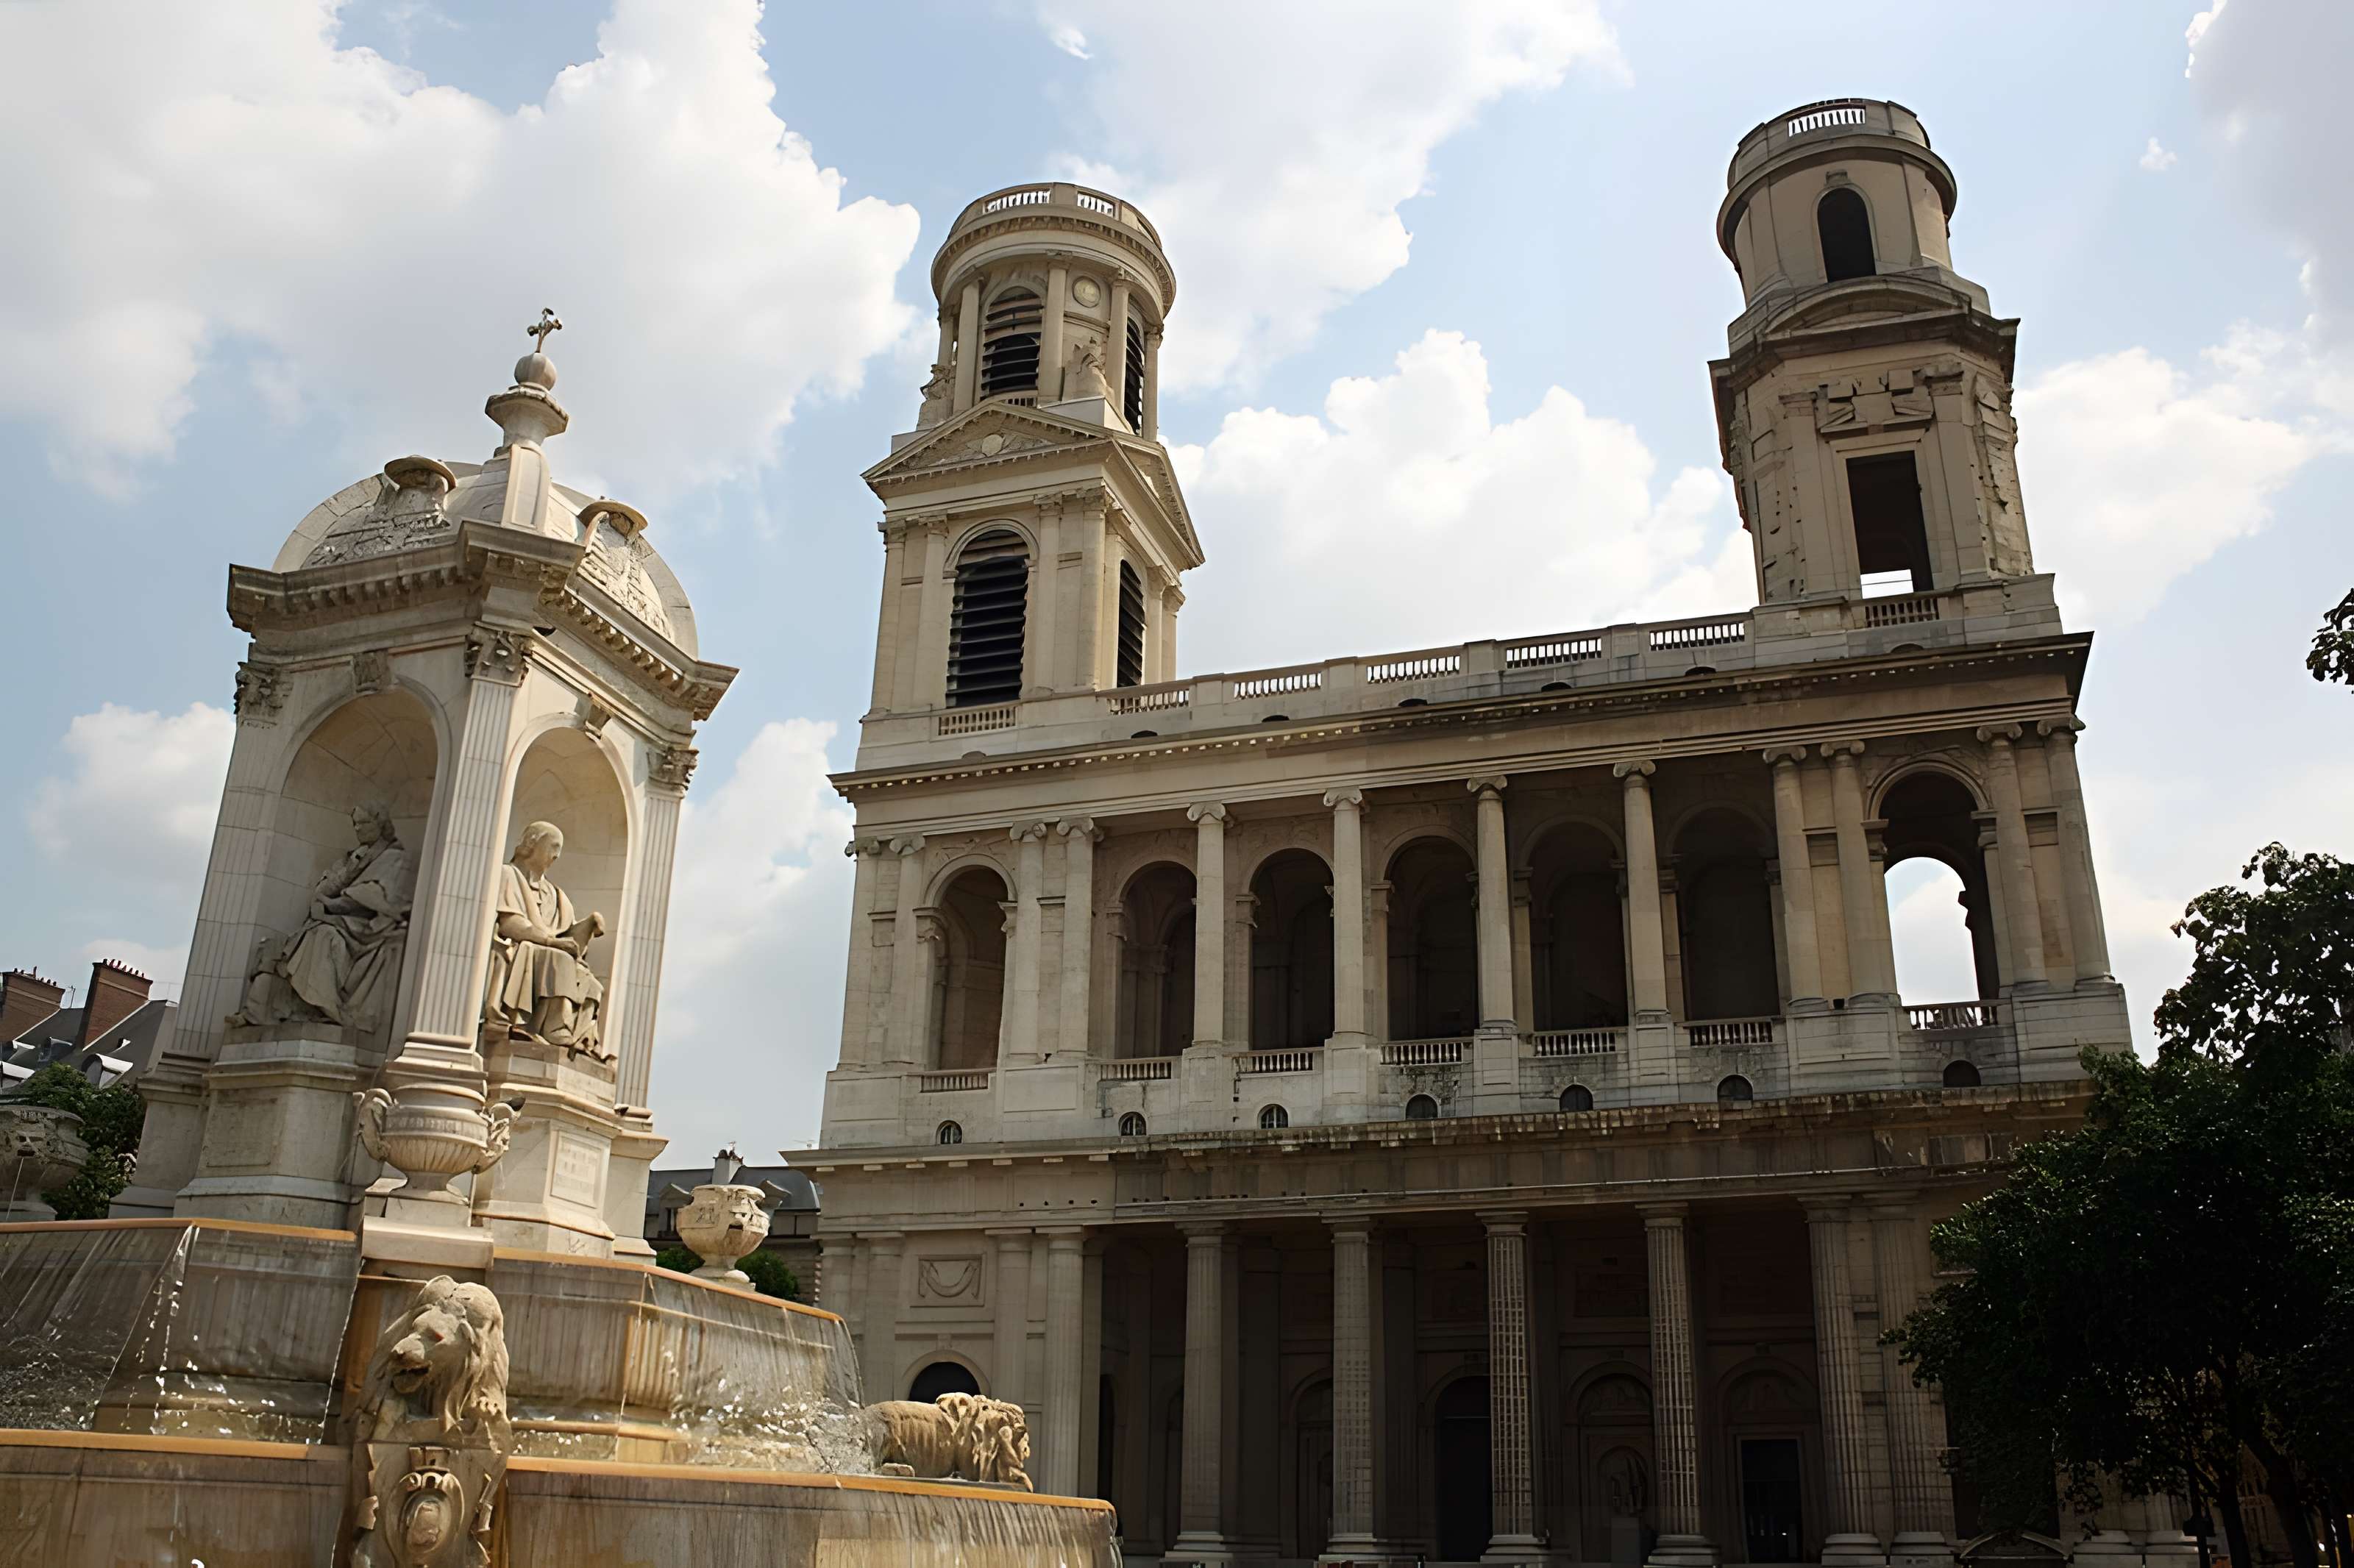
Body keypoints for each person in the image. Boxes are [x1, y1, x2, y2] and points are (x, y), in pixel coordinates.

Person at [230, 803, 412, 1039]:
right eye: (354, 824)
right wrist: (349, 870)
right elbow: (321, 891)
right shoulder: (353, 857)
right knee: (274, 948)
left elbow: (375, 896)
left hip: (365, 927)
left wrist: (332, 905)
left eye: (364, 823)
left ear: (380, 824)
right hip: (334, 920)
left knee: (323, 937)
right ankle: (255, 1013)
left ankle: (326, 1007)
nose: (357, 828)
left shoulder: (394, 857)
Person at [481, 820, 609, 1059]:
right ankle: (555, 1029)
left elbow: (567, 938)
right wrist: (552, 943)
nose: (557, 856)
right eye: (553, 846)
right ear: (532, 842)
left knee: (592, 984)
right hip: (520, 950)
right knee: (559, 960)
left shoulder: (556, 895)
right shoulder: (508, 875)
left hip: (547, 955)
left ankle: (581, 1038)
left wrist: (589, 925)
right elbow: (510, 924)